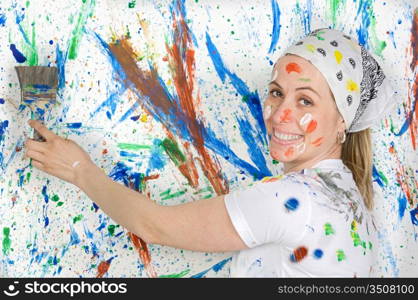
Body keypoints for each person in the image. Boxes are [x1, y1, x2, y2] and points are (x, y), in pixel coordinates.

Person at [24, 28, 396, 277]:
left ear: (342, 123)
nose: (281, 114)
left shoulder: (293, 199)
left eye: (306, 100)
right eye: (277, 92)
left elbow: (154, 226)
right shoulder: (350, 196)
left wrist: (79, 169)